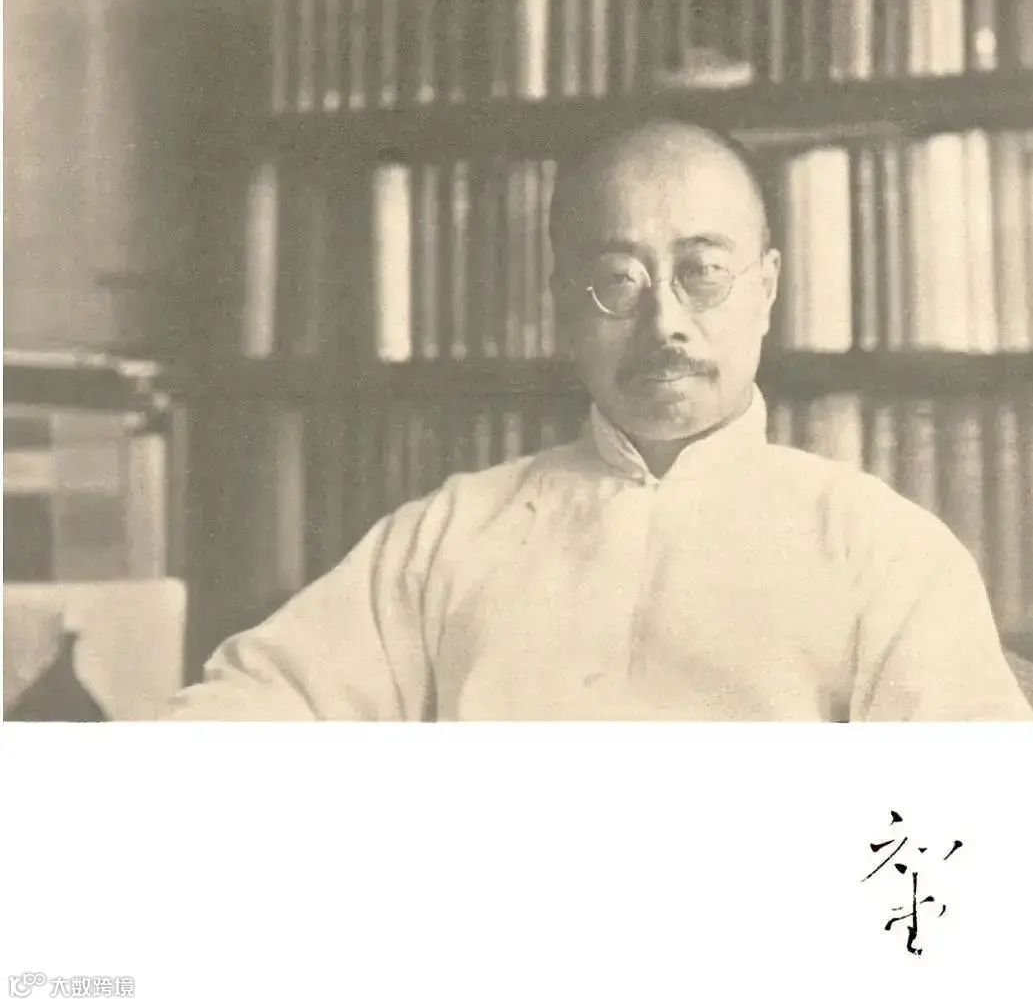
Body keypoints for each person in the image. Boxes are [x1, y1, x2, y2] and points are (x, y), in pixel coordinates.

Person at [163, 119, 1032, 721]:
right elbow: (247, 714)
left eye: (702, 273)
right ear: (562, 307)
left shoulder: (881, 548)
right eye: (618, 280)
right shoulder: (449, 535)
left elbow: (963, 834)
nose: (664, 324)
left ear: (765, 289)